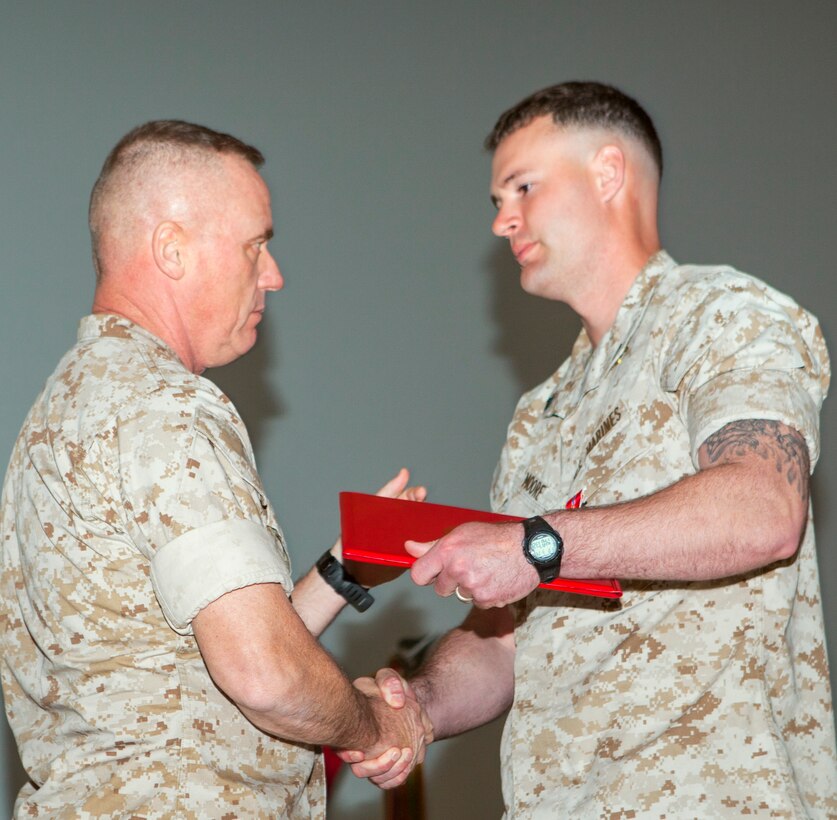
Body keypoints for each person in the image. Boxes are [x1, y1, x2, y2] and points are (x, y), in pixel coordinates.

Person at [345, 82, 837, 816]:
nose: (502, 221)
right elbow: (506, 641)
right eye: (495, 201)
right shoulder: (540, 410)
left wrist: (536, 545)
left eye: (522, 188)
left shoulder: (724, 314)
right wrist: (416, 707)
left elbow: (761, 508)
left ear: (607, 173)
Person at [0, 120, 431, 818]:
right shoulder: (167, 407)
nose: (274, 274)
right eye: (255, 245)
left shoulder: (68, 407)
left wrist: (339, 572)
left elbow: (195, 659)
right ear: (171, 249)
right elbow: (262, 674)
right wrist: (376, 725)